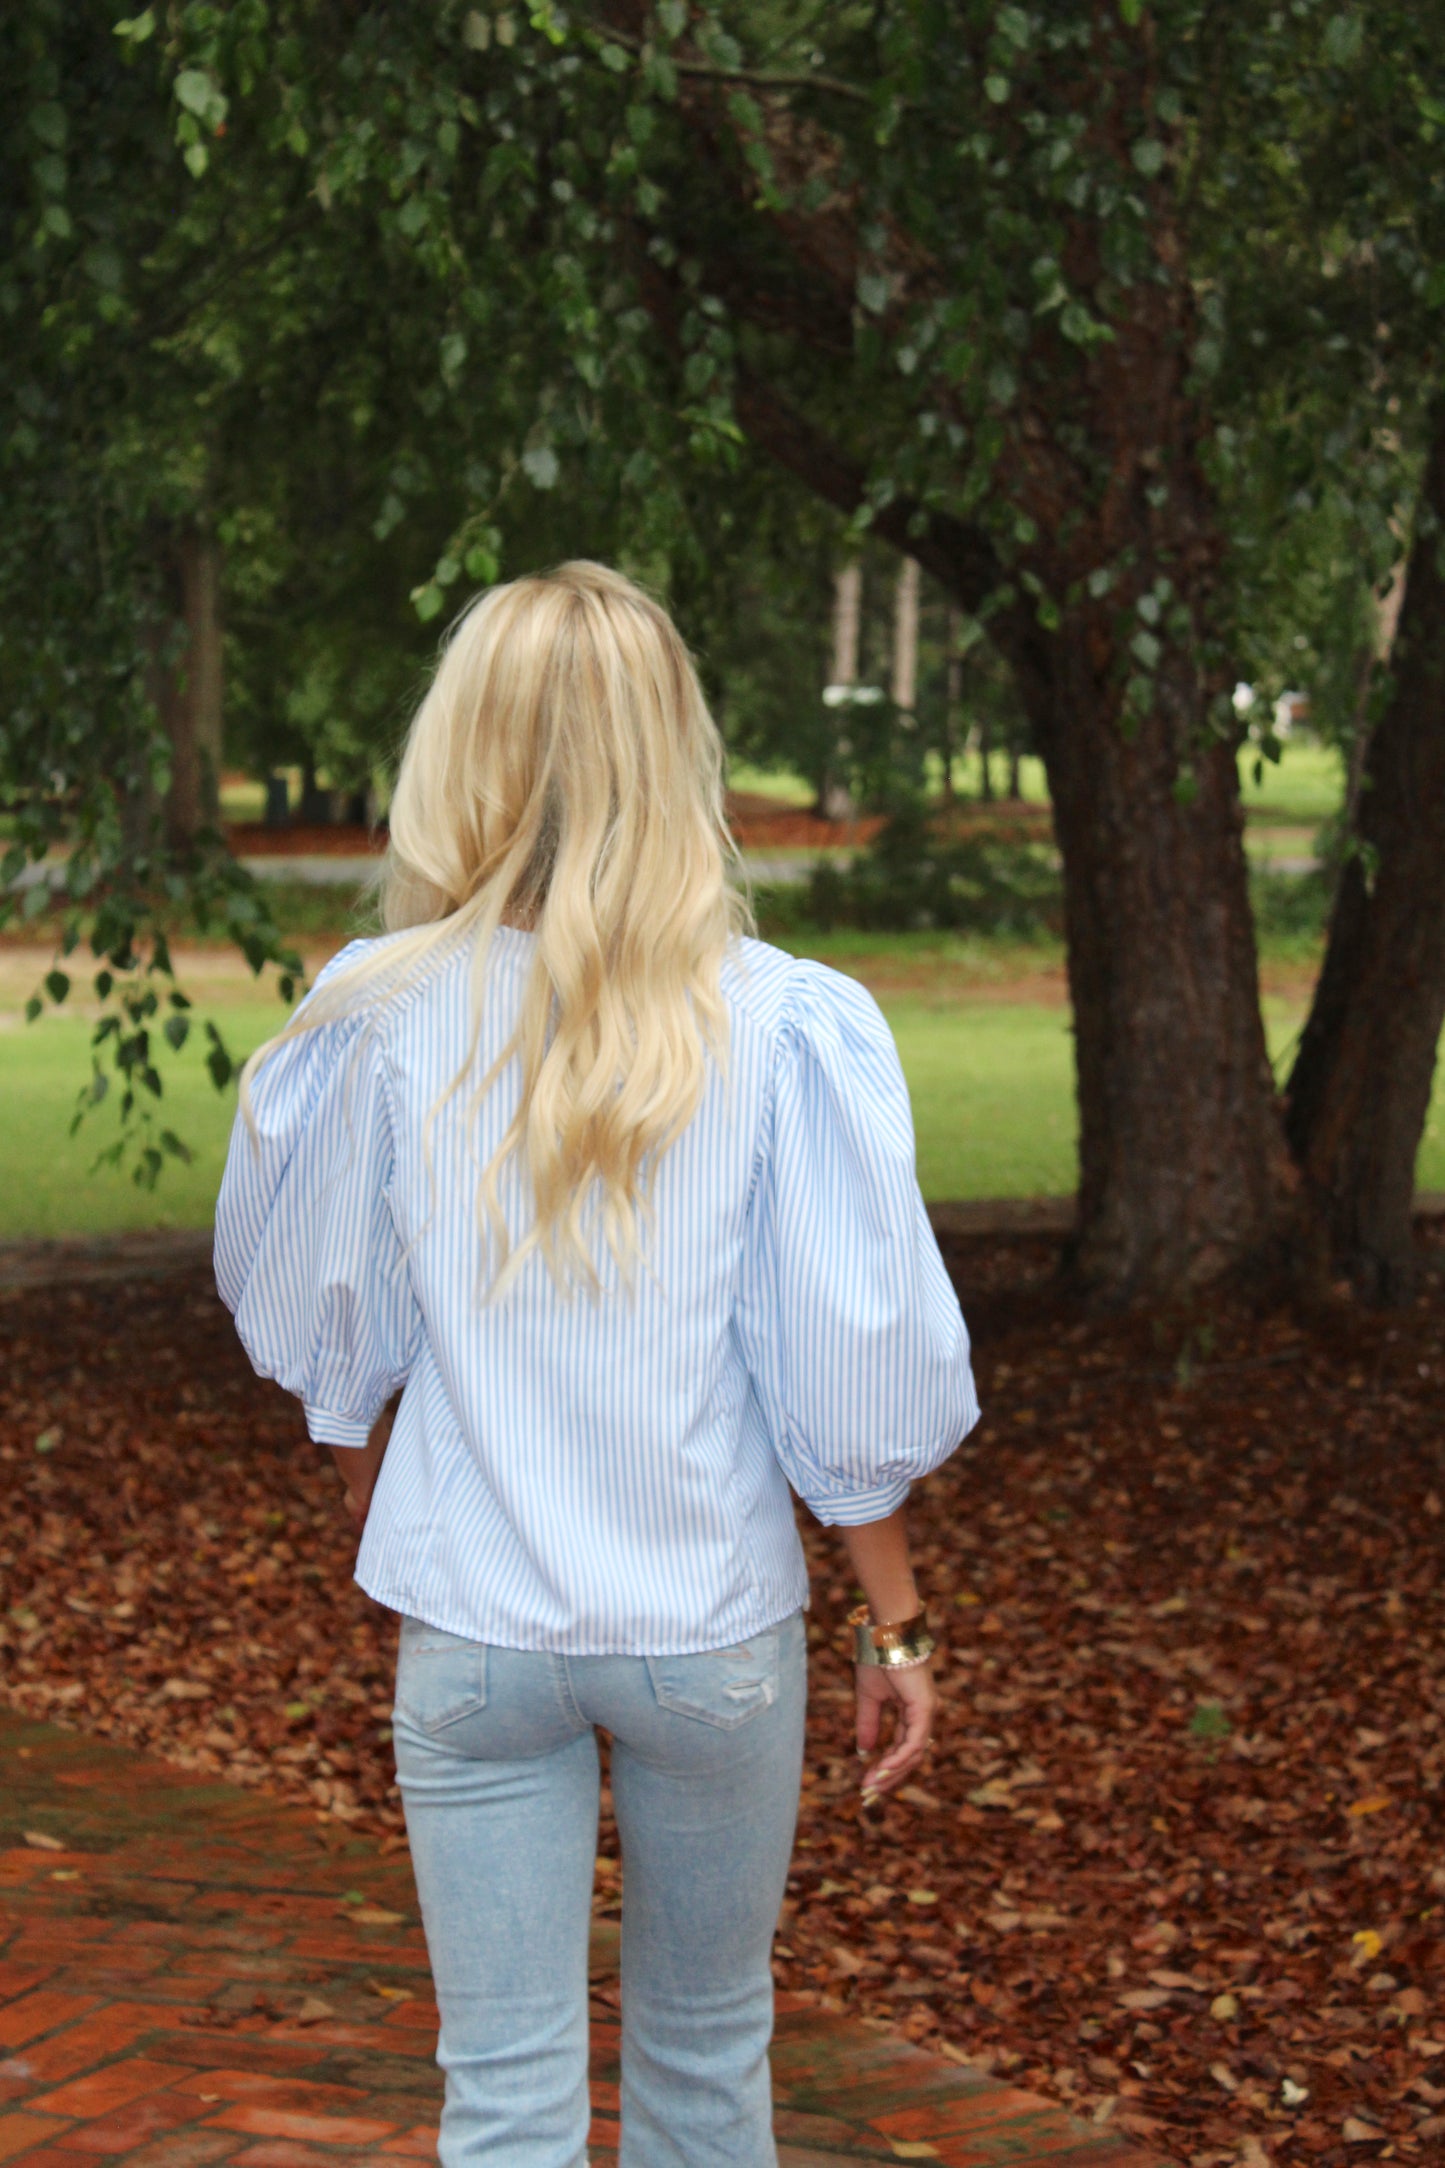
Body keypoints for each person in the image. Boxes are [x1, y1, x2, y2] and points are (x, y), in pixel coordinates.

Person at [214, 562, 979, 2168]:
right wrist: (896, 1629)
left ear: (461, 748)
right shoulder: (777, 1029)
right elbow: (845, 1390)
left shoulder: (374, 1017)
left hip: (476, 1631)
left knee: (498, 2087)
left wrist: (398, 1494)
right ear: (671, 751)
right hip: (710, 1634)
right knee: (708, 2062)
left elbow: (329, 1348)